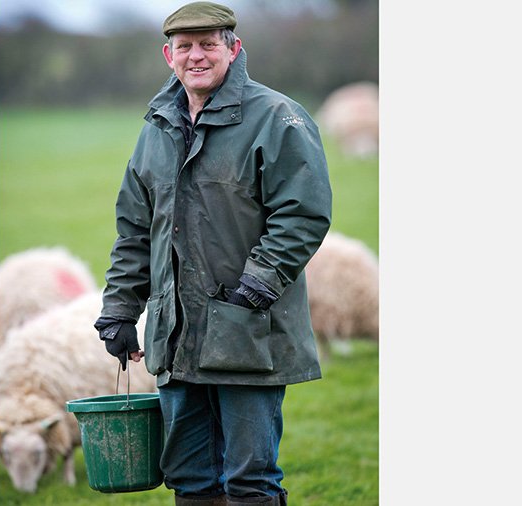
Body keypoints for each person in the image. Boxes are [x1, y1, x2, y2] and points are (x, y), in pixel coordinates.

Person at [94, 2, 332, 505]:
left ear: (234, 48)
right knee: (190, 478)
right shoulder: (156, 129)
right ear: (168, 55)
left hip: (248, 329)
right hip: (176, 338)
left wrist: (256, 287)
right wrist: (118, 312)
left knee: (250, 481)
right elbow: (135, 231)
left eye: (208, 44)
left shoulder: (277, 118)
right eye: (185, 47)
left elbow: (302, 213)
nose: (196, 56)